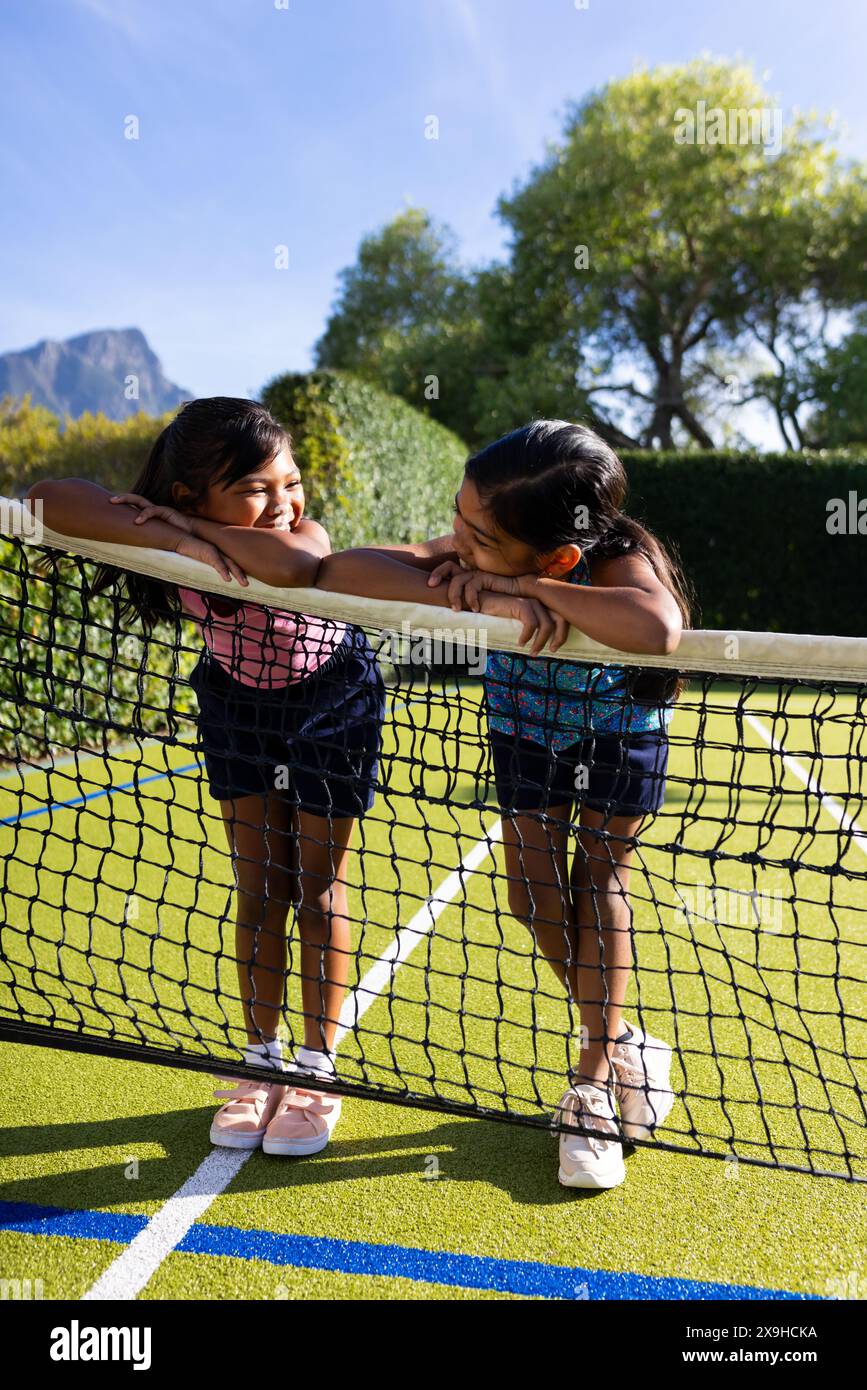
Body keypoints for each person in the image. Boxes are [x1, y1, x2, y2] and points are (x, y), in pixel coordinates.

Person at [316, 420, 688, 1189]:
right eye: (458, 518)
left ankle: (589, 1086)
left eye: (476, 535)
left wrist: (519, 589)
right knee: (529, 893)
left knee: (597, 881)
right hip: (523, 731)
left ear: (557, 554)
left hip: (616, 734)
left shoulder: (621, 558)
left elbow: (656, 627)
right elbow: (338, 571)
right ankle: (624, 1039)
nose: (457, 538)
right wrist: (466, 568)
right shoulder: (471, 545)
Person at [26, 397, 388, 1158]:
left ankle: (317, 1071)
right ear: (190, 491)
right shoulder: (163, 534)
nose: (284, 502)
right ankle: (259, 1065)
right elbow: (45, 499)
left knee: (317, 892)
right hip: (235, 705)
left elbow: (296, 566)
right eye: (257, 489)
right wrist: (165, 530)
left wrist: (189, 531)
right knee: (259, 891)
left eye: (290, 482)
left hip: (334, 700)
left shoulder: (298, 535)